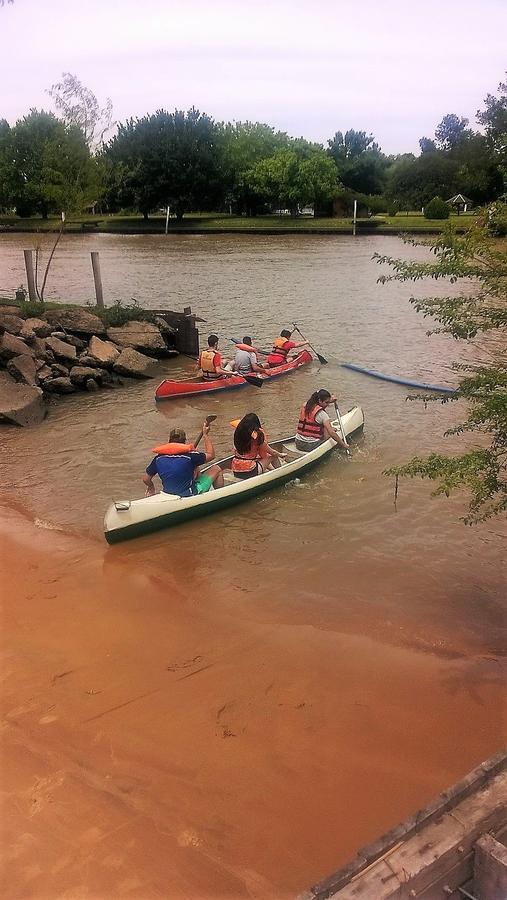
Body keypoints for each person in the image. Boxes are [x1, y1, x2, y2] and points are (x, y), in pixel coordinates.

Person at [143, 420, 224, 497]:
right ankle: (220, 497)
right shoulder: (191, 456)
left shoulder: (158, 458)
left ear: (169, 441)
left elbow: (146, 479)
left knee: (196, 468)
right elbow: (211, 455)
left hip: (168, 494)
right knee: (216, 469)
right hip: (188, 494)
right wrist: (205, 435)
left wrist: (151, 486)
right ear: (184, 442)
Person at [231, 413, 285, 479]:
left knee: (259, 459)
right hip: (249, 472)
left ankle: (273, 471)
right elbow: (270, 453)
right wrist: (281, 455)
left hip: (236, 470)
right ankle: (281, 474)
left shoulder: (238, 434)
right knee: (273, 456)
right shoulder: (257, 437)